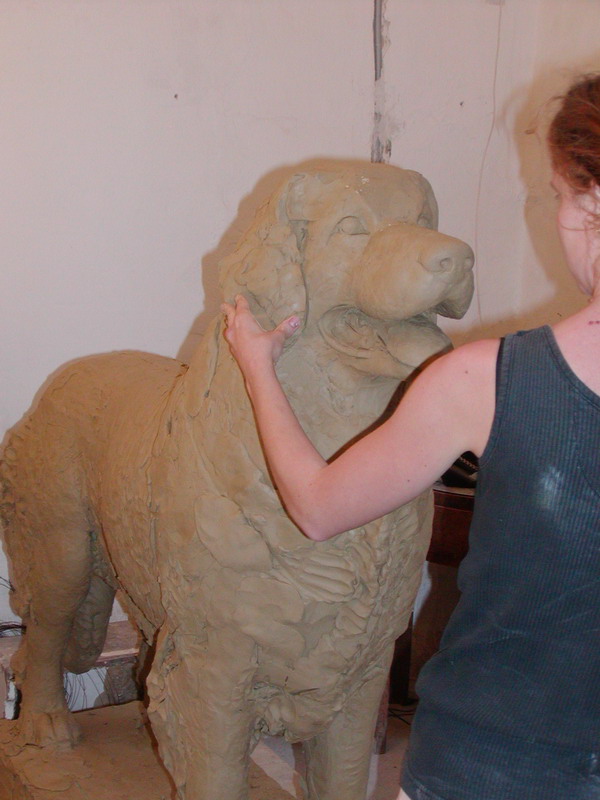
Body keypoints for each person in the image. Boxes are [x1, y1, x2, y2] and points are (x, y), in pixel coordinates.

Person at [222, 74, 600, 800]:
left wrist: (257, 367)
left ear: (591, 203)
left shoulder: (489, 379)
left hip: (490, 767)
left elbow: (316, 507)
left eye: (555, 195)